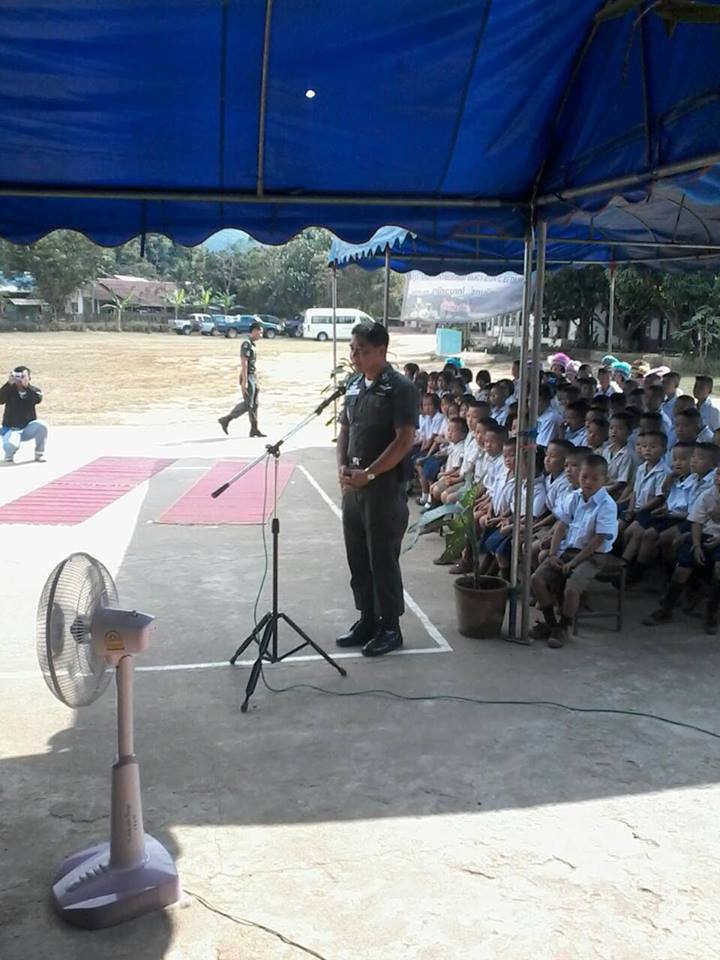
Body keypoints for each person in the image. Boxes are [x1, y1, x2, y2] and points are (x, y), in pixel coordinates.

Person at [336, 323, 418, 657]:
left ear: (382, 351)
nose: (355, 355)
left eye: (363, 350)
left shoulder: (400, 388)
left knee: (382, 557)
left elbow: (404, 441)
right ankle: (367, 618)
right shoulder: (354, 385)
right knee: (357, 554)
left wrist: (369, 474)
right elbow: (345, 429)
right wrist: (342, 468)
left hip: (383, 487)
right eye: (353, 349)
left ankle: (390, 626)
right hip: (353, 486)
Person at [530, 455, 618, 647]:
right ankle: (551, 624)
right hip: (568, 550)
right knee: (537, 579)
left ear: (604, 480)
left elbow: (598, 540)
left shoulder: (607, 505)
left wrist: (574, 562)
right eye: (585, 477)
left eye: (594, 478)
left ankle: (563, 627)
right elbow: (561, 525)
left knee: (572, 588)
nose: (588, 482)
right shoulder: (574, 497)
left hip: (593, 555)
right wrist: (553, 554)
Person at [218, 320, 266, 437]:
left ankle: (254, 429)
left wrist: (256, 379)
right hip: (247, 376)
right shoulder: (246, 344)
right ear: (254, 331)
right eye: (260, 332)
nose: (261, 335)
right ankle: (226, 419)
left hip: (253, 376)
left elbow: (252, 364)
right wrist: (244, 381)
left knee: (255, 404)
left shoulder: (252, 345)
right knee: (248, 404)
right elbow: (244, 362)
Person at [1, 366, 47, 464]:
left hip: (28, 428)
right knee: (10, 445)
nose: (19, 379)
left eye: (23, 376)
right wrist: (8, 384)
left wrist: (26, 387)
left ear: (29, 378)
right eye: (17, 376)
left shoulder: (34, 390)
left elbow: (37, 399)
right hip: (12, 429)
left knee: (42, 426)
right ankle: (9, 455)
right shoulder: (9, 390)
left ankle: (39, 454)